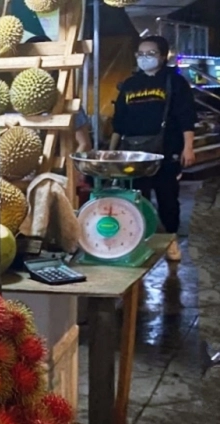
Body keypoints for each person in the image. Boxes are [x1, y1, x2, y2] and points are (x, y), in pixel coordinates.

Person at [110, 35, 196, 262]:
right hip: (134, 153)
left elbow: (186, 117)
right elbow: (119, 122)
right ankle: (138, 240)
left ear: (163, 56)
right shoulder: (130, 84)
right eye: (140, 54)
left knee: (167, 198)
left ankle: (171, 240)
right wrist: (111, 153)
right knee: (136, 197)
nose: (144, 58)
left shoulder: (174, 82)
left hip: (166, 151)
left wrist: (189, 147)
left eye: (150, 53)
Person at [24, 35, 92, 152]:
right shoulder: (19, 98)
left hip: (59, 166)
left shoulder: (65, 97)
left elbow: (84, 144)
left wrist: (70, 168)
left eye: (42, 59)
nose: (36, 65)